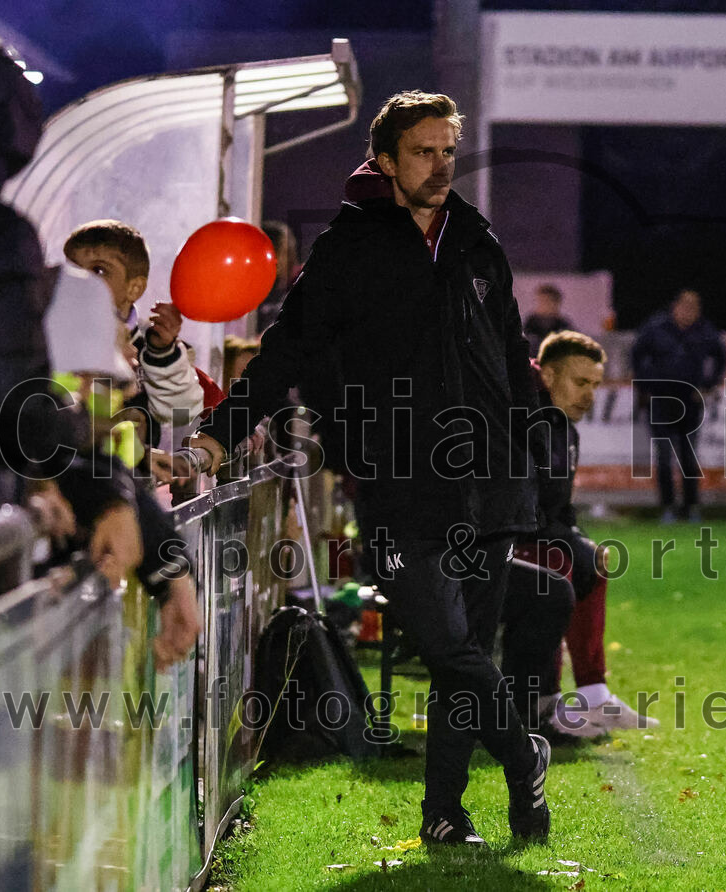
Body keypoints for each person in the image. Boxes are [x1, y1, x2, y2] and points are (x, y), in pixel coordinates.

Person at [185, 91, 551, 846]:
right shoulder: (350, 247)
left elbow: (515, 361)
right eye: (424, 151)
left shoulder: (479, 242)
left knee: (467, 657)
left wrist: (540, 459)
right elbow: (285, 349)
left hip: (492, 480)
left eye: (448, 150)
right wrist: (222, 433)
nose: (441, 165)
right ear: (385, 162)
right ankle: (523, 756)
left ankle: (445, 817)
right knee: (445, 645)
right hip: (399, 480)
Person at [509, 330, 659, 737]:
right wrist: (568, 540)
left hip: (538, 537)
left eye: (595, 384)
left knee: (592, 558)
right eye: (580, 383)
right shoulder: (523, 422)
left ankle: (594, 694)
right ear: (548, 376)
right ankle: (547, 703)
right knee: (558, 568)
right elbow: (521, 508)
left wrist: (576, 537)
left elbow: (559, 506)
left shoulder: (564, 429)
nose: (589, 395)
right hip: (501, 545)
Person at [63, 219, 204, 448]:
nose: (83, 281)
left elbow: (180, 419)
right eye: (73, 269)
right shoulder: (46, 336)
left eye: (99, 270)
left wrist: (162, 354)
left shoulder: (161, 347)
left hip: (130, 477)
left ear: (134, 288)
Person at [631, 289, 726, 523]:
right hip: (661, 399)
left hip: (690, 400)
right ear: (675, 307)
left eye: (693, 308)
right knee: (664, 456)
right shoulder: (656, 327)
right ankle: (667, 508)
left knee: (688, 457)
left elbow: (721, 356)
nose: (688, 312)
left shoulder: (705, 331)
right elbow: (635, 354)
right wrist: (645, 385)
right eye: (684, 307)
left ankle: (691, 507)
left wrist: (708, 385)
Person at [523, 284, 573, 357]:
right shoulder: (530, 324)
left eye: (546, 302)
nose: (542, 305)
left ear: (556, 304)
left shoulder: (564, 326)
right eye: (540, 301)